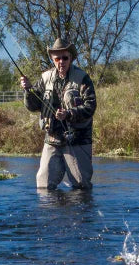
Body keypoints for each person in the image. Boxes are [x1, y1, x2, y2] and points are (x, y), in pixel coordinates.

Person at [20, 37, 97, 190]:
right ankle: (54, 214)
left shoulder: (82, 78)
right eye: (57, 58)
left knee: (82, 186)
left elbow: (91, 106)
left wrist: (68, 114)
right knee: (43, 185)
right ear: (52, 59)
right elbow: (33, 106)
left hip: (78, 140)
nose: (61, 61)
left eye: (65, 57)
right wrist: (28, 90)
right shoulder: (45, 78)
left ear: (71, 58)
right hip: (52, 139)